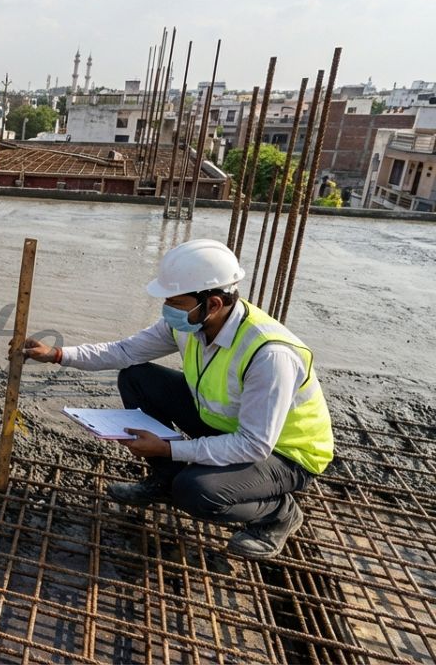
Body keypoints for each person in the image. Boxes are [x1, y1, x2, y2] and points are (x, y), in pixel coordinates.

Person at [23, 239, 334, 560]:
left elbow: (254, 445)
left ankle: (278, 513)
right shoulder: (192, 322)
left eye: (176, 301)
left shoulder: (269, 355)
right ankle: (164, 480)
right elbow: (125, 351)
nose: (168, 308)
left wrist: (168, 447)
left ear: (213, 303)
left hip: (284, 454)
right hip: (225, 423)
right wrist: (58, 355)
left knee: (195, 491)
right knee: (137, 377)